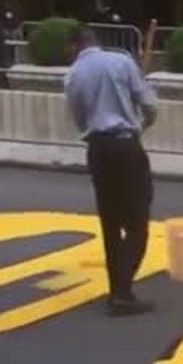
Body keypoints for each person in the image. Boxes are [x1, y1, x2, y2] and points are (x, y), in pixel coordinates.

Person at [65, 26, 159, 317]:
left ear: (75, 46)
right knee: (137, 221)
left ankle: (117, 289)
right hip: (126, 144)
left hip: (98, 149)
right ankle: (123, 289)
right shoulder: (121, 62)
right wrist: (138, 127)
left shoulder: (73, 76)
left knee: (110, 222)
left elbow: (79, 119)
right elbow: (150, 105)